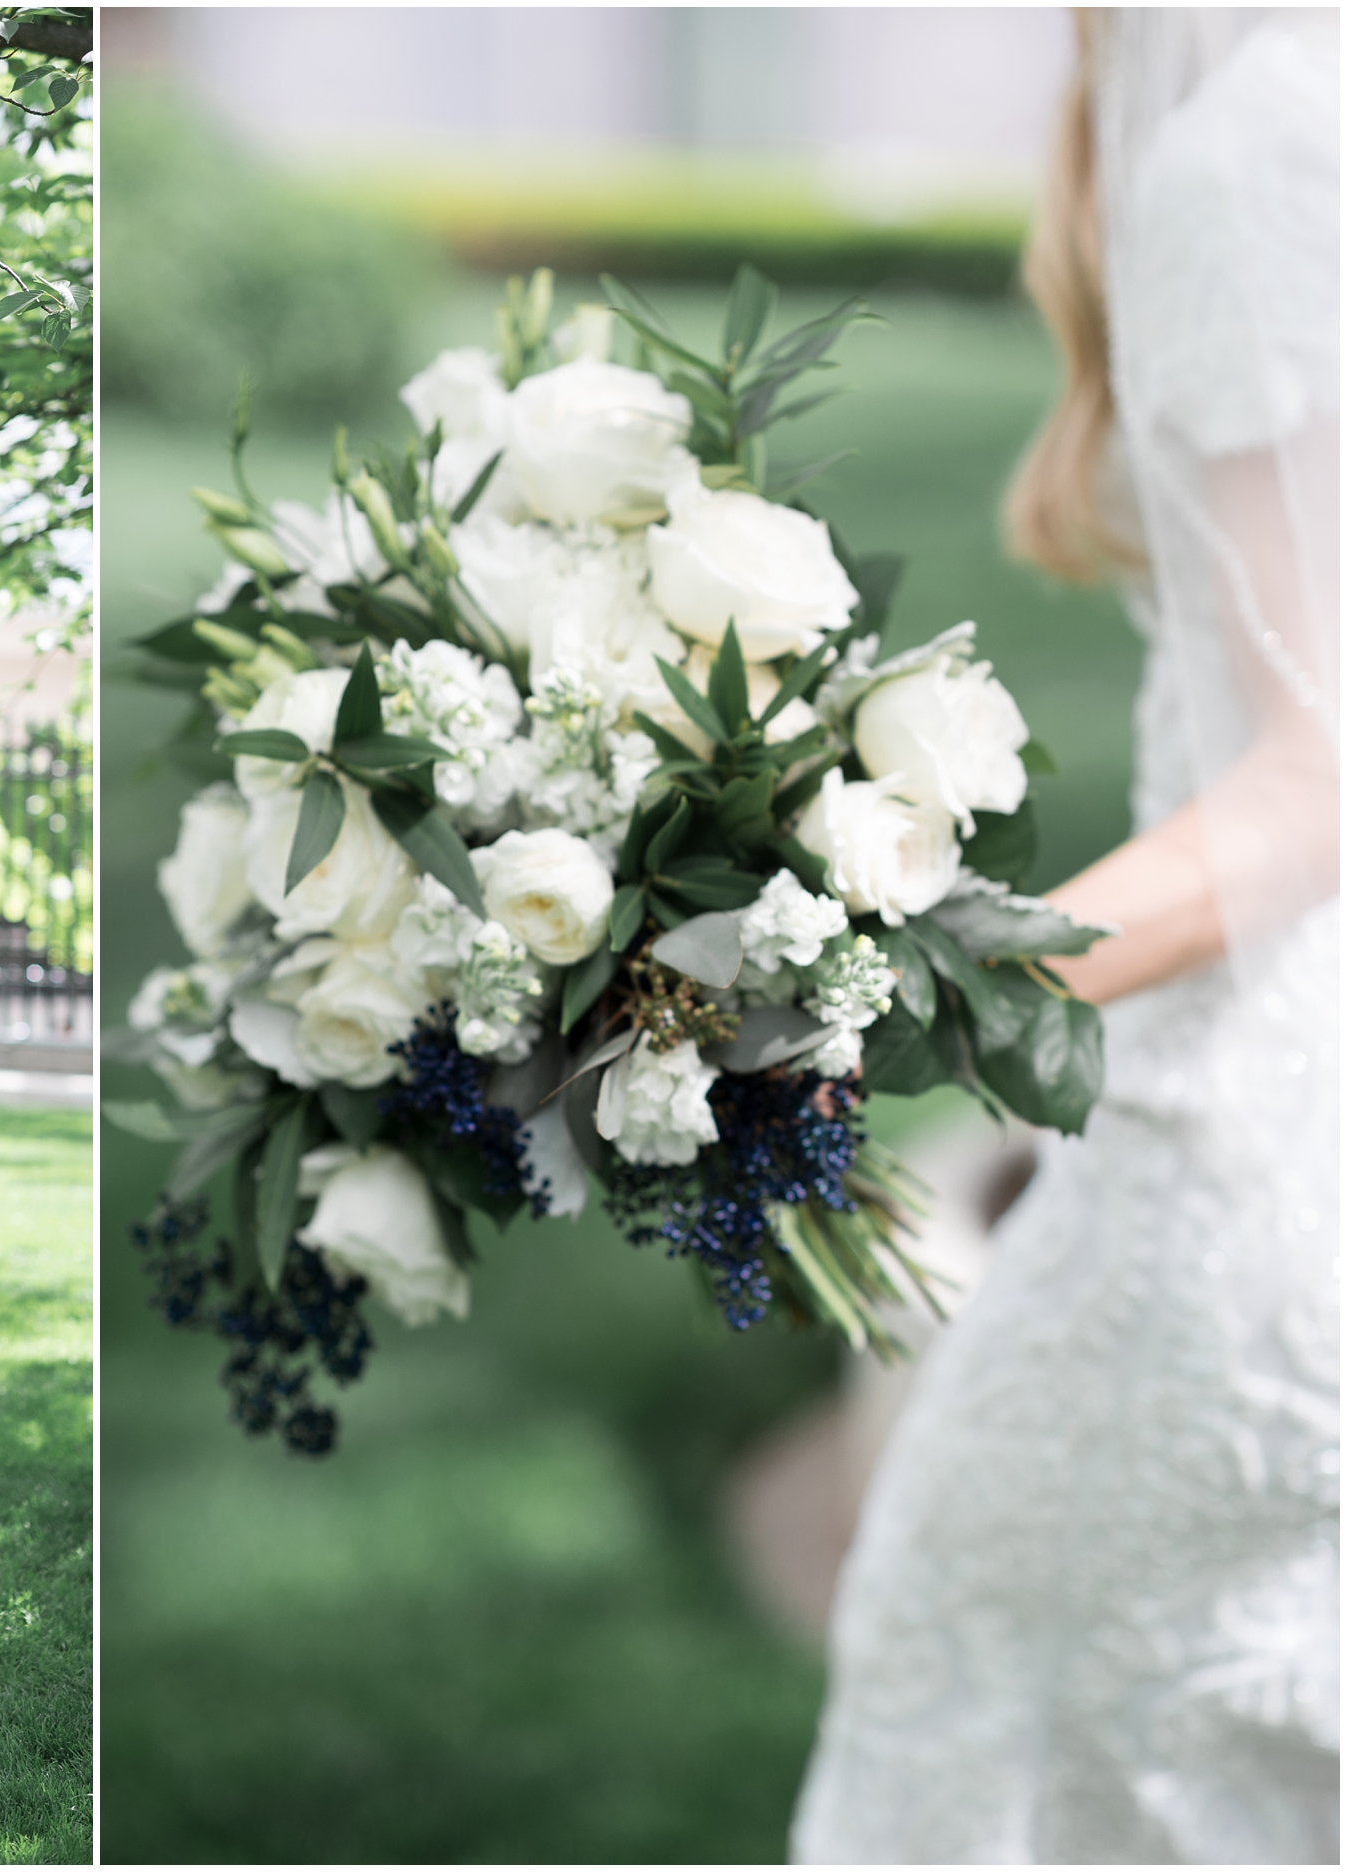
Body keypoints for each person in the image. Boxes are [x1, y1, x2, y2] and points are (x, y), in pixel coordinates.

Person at [794, 10, 1338, 1861]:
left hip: (1255, 1176)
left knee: (988, 1704)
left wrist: (918, 989)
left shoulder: (1257, 144)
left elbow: (1317, 783)